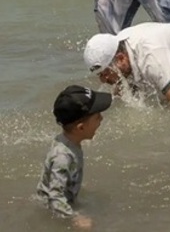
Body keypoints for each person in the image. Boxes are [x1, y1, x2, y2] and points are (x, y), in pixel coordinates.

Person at [35, 85, 112, 228]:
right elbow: (55, 198)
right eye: (97, 117)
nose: (101, 118)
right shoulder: (63, 157)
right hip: (53, 208)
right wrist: (74, 219)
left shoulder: (69, 141)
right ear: (81, 128)